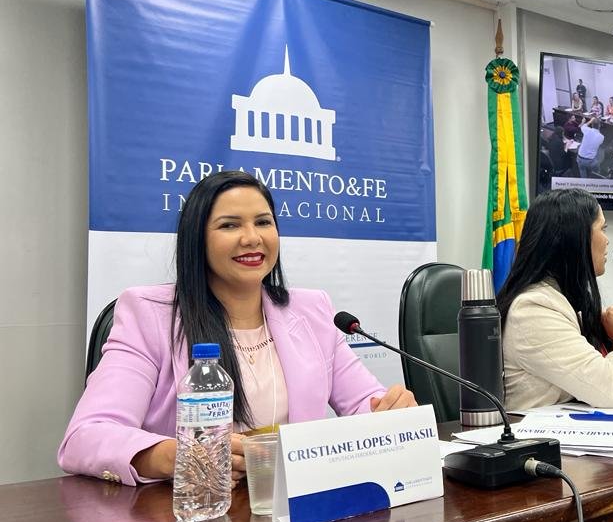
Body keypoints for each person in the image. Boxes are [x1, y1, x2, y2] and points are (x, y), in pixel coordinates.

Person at [59, 171, 415, 486]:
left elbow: (364, 405)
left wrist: (390, 412)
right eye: (230, 225)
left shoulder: (311, 311)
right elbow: (85, 437)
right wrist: (176, 456)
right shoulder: (149, 314)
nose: (252, 238)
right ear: (197, 238)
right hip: (196, 512)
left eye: (263, 222)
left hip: (292, 508)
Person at [498, 189, 613, 410]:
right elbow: (612, 389)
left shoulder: (562, 296)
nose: (607, 240)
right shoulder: (533, 309)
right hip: (534, 431)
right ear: (575, 238)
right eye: (602, 229)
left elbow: (596, 364)